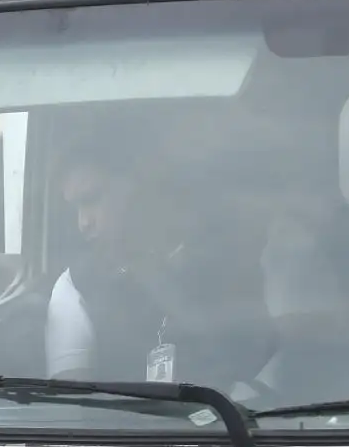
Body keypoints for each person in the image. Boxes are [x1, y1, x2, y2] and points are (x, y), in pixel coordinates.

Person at [44, 146, 277, 392]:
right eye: (76, 208)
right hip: (123, 430)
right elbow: (73, 408)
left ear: (136, 185)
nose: (83, 223)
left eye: (92, 200)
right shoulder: (75, 285)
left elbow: (262, 367)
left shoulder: (228, 262)